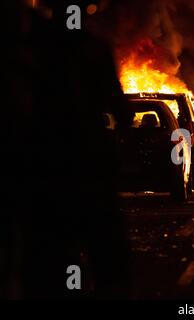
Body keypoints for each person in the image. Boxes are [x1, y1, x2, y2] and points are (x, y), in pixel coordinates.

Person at [2, 0, 130, 298]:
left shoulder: (28, 51)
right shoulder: (93, 50)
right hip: (87, 169)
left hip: (39, 171)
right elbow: (121, 111)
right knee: (108, 258)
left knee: (44, 258)